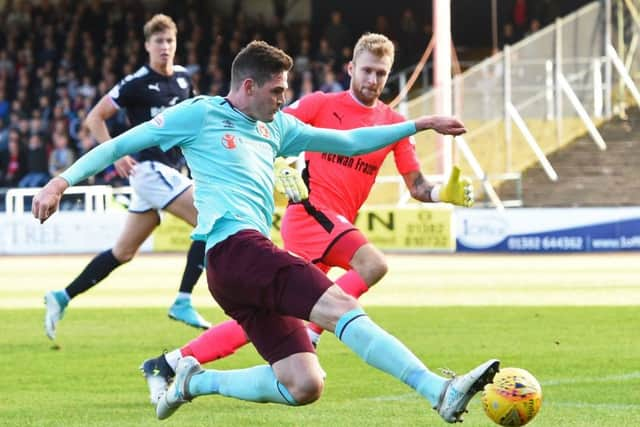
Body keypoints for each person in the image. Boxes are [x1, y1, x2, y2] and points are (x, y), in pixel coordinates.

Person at [32, 40, 499, 424]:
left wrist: (419, 124)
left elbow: (351, 141)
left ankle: (194, 380)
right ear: (249, 86)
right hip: (235, 250)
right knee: (340, 305)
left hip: (238, 266)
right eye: (278, 90)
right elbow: (122, 142)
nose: (284, 99)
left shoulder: (276, 128)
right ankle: (439, 390)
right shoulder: (200, 114)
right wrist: (60, 181)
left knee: (304, 384)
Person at [139, 33, 476, 403]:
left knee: (268, 316)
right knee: (372, 264)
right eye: (366, 70)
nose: (373, 80)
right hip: (310, 213)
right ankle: (319, 328)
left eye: (381, 73)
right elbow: (268, 128)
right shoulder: (320, 103)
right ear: (350, 68)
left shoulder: (390, 124)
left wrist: (442, 194)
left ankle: (171, 362)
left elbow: (416, 185)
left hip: (337, 221)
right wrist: (283, 164)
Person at [43, 14, 211, 341]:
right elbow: (94, 119)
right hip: (148, 170)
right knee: (211, 219)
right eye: (159, 41)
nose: (165, 47)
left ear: (176, 45)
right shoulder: (135, 83)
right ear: (147, 46)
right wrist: (116, 153)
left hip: (168, 172)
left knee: (123, 251)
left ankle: (62, 296)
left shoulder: (183, 79)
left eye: (169, 41)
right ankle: (183, 299)